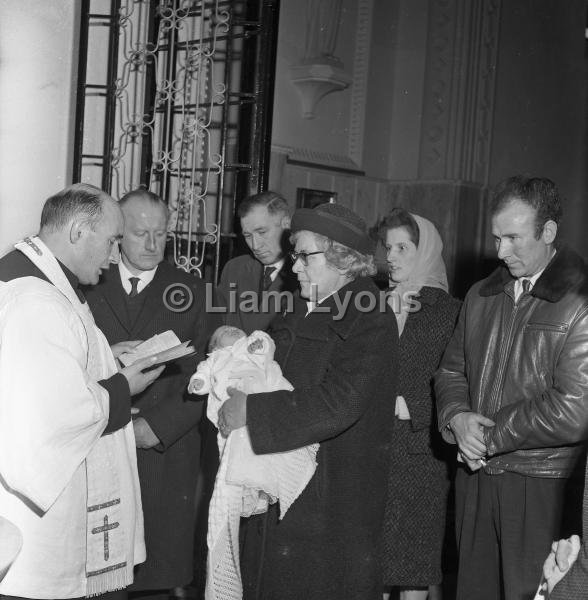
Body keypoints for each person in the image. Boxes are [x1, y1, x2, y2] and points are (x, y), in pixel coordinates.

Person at [218, 202, 399, 600]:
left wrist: (252, 410)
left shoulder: (370, 316)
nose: (293, 266)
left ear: (342, 258)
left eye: (303, 256)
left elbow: (341, 402)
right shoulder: (297, 307)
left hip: (332, 501)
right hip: (286, 490)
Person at [0, 183, 164, 599]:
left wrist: (105, 357)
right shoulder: (36, 299)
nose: (114, 256)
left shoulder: (35, 279)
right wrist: (124, 387)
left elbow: (44, 373)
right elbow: (52, 417)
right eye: (110, 241)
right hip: (36, 520)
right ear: (77, 231)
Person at [435, 175, 588, 600]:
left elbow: (576, 406)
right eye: (496, 237)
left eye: (513, 238)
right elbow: (450, 372)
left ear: (549, 232)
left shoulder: (581, 300)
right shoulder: (481, 294)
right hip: (476, 479)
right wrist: (456, 418)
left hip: (541, 484)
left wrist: (484, 436)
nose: (500, 251)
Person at [85, 189, 217, 600]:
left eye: (161, 233)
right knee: (98, 577)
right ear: (119, 234)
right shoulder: (89, 285)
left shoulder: (193, 290)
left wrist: (156, 428)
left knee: (154, 581)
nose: (151, 243)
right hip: (99, 446)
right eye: (141, 233)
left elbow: (207, 374)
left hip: (164, 453)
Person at [189, 327, 318, 600]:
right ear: (215, 346)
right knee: (234, 459)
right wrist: (199, 383)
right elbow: (201, 374)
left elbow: (266, 347)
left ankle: (259, 486)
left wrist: (258, 345)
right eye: (224, 333)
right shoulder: (217, 358)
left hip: (263, 394)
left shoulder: (252, 344)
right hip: (232, 408)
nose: (231, 331)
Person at [376, 209, 461, 600]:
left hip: (420, 456)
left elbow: (459, 383)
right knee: (371, 563)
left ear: (424, 250)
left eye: (402, 247)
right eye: (388, 247)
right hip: (374, 451)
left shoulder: (449, 310)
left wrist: (411, 408)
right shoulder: (373, 304)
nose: (391, 256)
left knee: (414, 565)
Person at [216, 191, 298, 334]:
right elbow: (215, 323)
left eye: (262, 232)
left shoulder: (305, 274)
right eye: (248, 235)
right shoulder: (235, 268)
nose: (255, 245)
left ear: (287, 224)